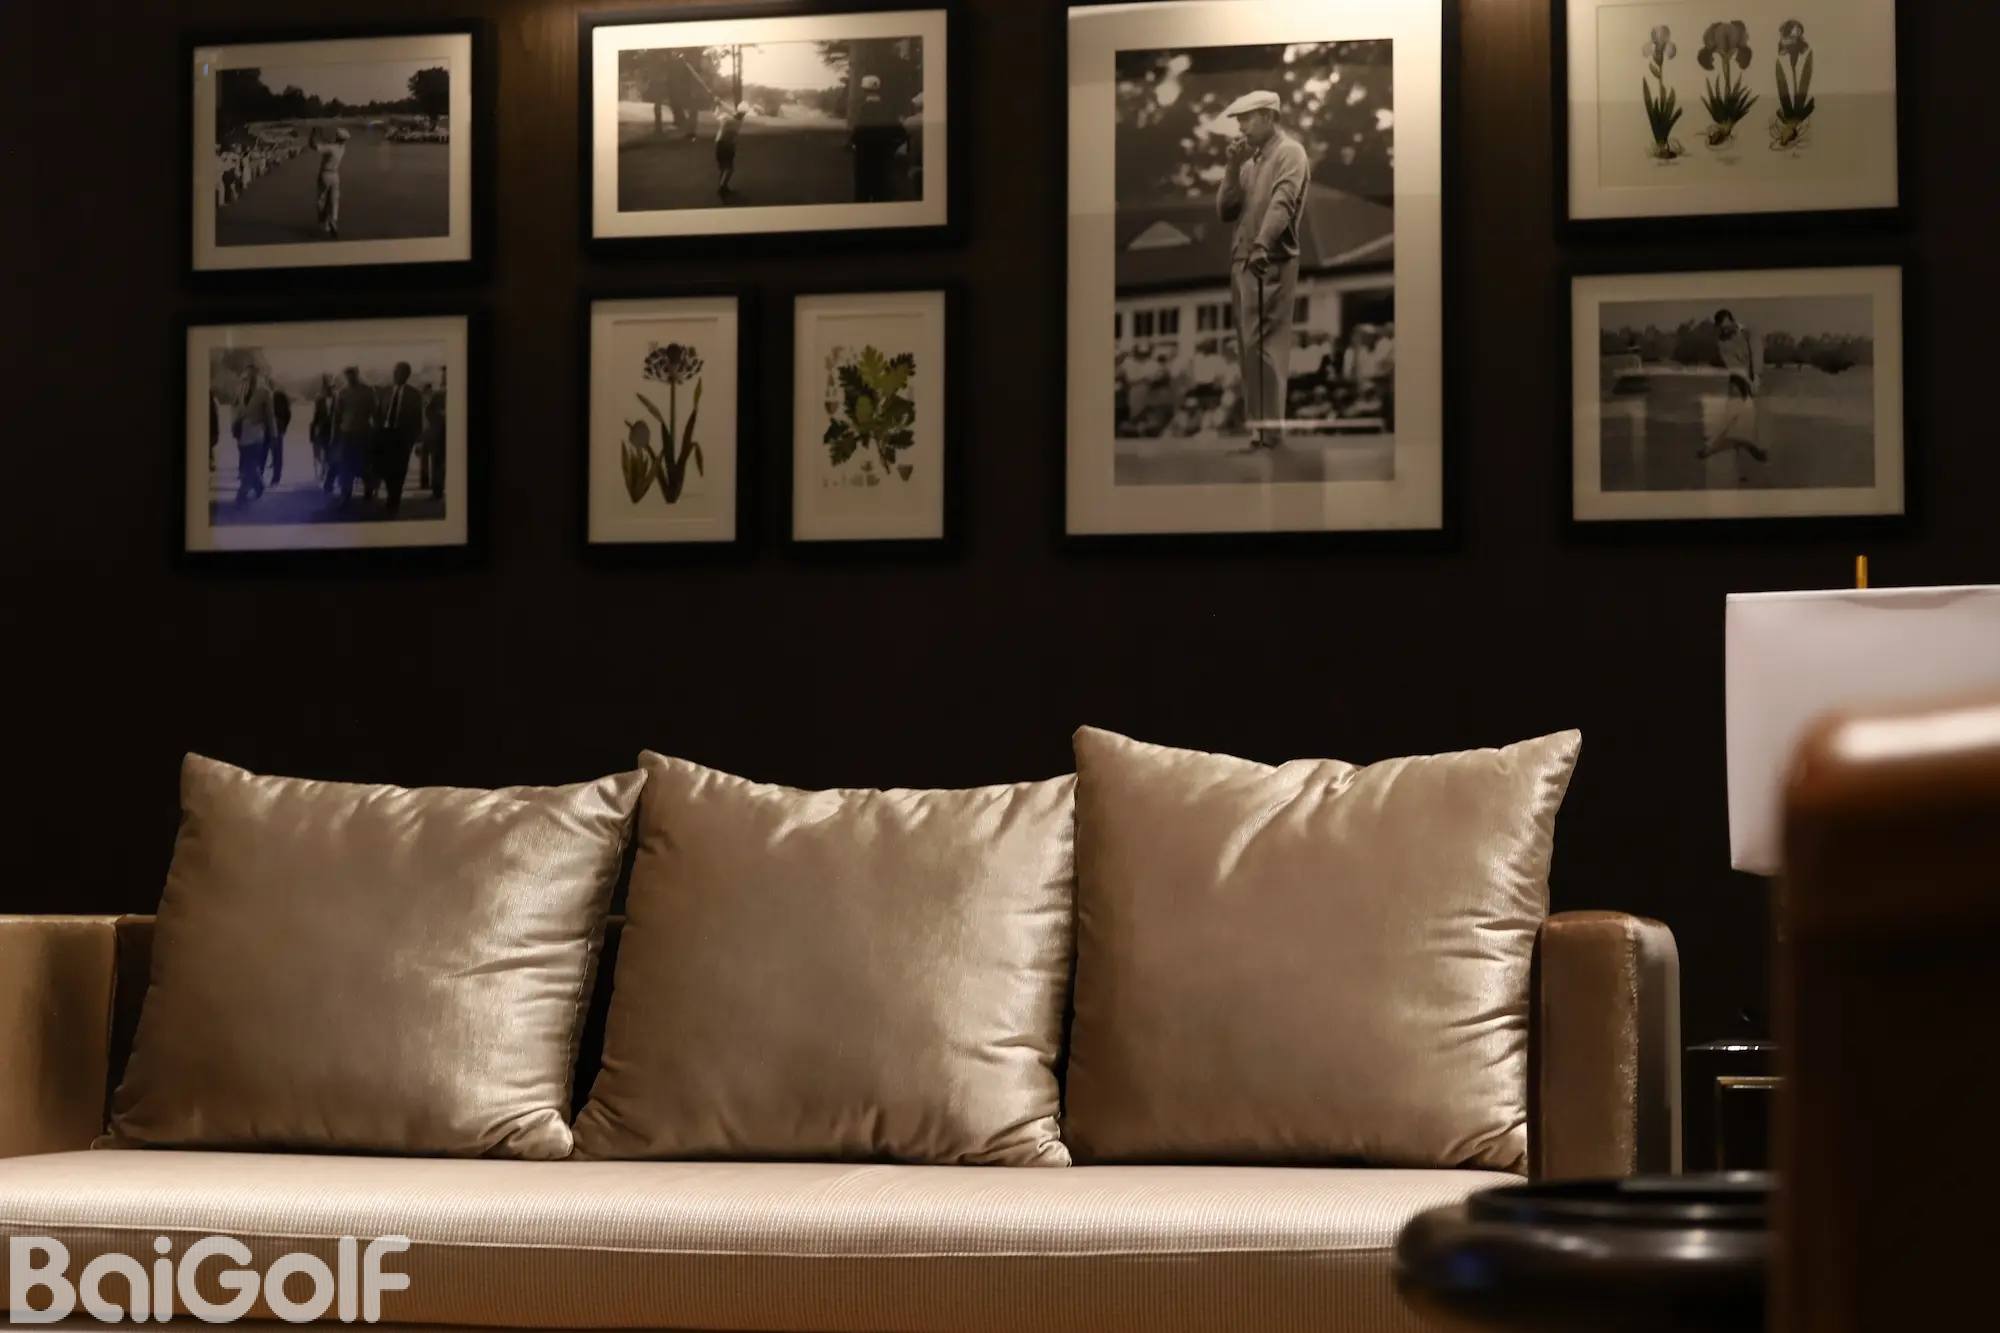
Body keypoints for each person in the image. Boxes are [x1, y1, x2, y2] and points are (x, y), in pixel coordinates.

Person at [1217, 89, 1310, 451]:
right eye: (1238, 119)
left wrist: (1262, 245)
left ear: (1269, 117)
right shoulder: (1248, 164)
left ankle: (1269, 431)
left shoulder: (1290, 152)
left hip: (1270, 258)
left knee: (1265, 345)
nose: (1240, 127)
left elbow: (1283, 202)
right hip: (1243, 259)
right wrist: (1230, 167)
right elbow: (1226, 210)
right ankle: (1259, 429)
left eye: (1246, 118)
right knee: (1248, 347)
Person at [1699, 308, 1769, 468]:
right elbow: (1735, 368)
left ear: (1733, 321)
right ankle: (1710, 447)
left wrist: (1756, 378)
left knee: (1757, 414)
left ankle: (1757, 448)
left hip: (1755, 376)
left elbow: (1757, 353)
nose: (1725, 331)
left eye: (1727, 327)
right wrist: (1749, 382)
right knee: (1729, 415)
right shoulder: (1722, 342)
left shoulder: (1749, 331)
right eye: (1721, 329)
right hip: (1738, 379)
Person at [373, 362, 425, 516]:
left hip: (403, 438)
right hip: (385, 435)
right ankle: (391, 495)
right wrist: (376, 433)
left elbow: (418, 420)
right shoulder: (385, 391)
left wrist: (417, 441)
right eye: (394, 372)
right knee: (386, 468)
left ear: (407, 375)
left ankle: (394, 501)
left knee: (400, 470)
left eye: (399, 372)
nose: (395, 375)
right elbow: (378, 414)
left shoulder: (414, 395)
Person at [849, 75, 909, 203]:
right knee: (881, 191)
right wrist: (892, 147)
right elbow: (900, 133)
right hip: (883, 156)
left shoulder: (863, 109)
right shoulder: (889, 109)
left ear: (864, 90)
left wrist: (852, 143)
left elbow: (858, 132)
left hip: (864, 156)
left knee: (863, 191)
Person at [233, 366, 276, 506]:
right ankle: (258, 486)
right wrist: (235, 426)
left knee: (250, 463)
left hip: (257, 432)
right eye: (248, 374)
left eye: (253, 374)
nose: (250, 377)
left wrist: (273, 434)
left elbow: (270, 415)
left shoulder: (265, 392)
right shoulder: (242, 389)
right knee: (247, 463)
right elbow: (236, 409)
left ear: (258, 375)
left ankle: (242, 493)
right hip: (243, 433)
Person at [332, 366, 374, 508]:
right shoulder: (342, 392)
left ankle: (368, 490)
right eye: (348, 375)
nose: (350, 377)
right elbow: (337, 416)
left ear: (357, 374)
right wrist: (334, 436)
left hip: (363, 433)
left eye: (353, 374)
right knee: (345, 465)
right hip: (346, 434)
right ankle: (346, 494)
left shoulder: (367, 391)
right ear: (345, 376)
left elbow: (374, 411)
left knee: (364, 464)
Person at [309, 126, 349, 238]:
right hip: (335, 175)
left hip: (325, 174)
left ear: (337, 137)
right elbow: (331, 143)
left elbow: (313, 145)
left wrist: (313, 134)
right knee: (334, 200)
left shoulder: (330, 148)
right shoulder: (342, 148)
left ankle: (323, 219)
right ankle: (333, 220)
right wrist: (325, 140)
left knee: (321, 199)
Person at [421, 369, 448, 501]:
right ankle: (437, 490)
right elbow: (429, 412)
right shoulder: (438, 395)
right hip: (439, 433)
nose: (444, 377)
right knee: (438, 462)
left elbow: (429, 412)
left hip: (440, 433)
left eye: (445, 375)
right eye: (444, 375)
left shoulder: (439, 395)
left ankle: (438, 490)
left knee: (438, 462)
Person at [714, 101, 749, 196]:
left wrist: (718, 105)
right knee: (729, 168)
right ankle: (722, 187)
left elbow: (717, 115)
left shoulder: (725, 118)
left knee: (723, 168)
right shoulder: (739, 121)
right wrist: (721, 103)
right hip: (729, 146)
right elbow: (733, 111)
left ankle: (722, 186)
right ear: (744, 113)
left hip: (719, 144)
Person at [310, 375, 336, 488]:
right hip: (323, 430)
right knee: (323, 453)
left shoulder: (338, 399)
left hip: (334, 430)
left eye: (330, 388)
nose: (328, 390)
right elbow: (316, 416)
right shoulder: (319, 401)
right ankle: (324, 471)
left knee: (332, 454)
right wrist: (313, 431)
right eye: (326, 388)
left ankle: (328, 473)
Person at [268, 384, 291, 487]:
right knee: (275, 453)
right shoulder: (262, 394)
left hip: (275, 427)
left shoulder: (279, 395)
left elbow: (287, 413)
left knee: (276, 453)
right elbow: (288, 413)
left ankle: (275, 477)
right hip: (267, 428)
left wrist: (283, 426)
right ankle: (274, 477)